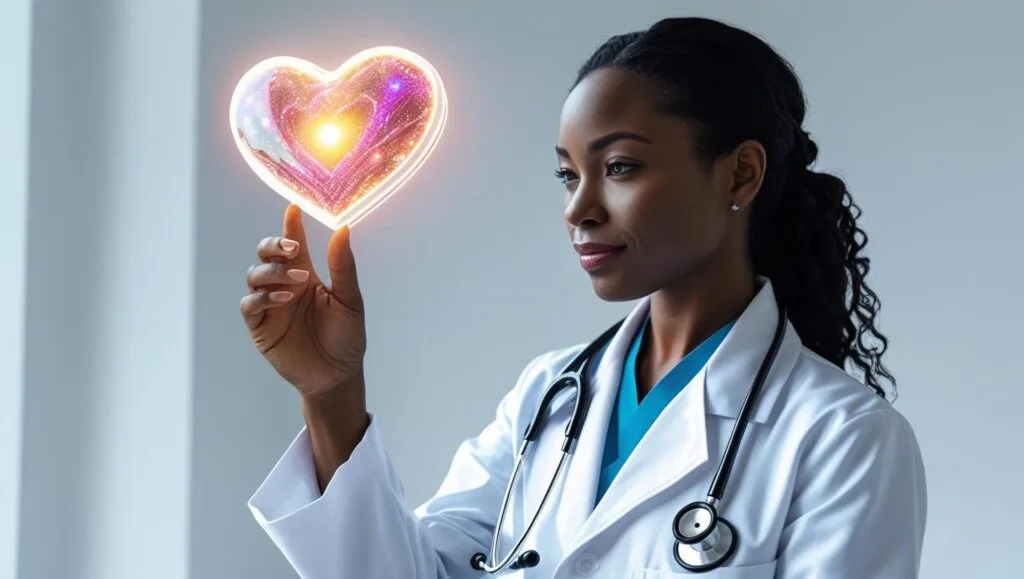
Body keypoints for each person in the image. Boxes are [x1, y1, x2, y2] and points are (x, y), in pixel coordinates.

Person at [239, 16, 927, 578]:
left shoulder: (842, 437)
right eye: (569, 177)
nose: (580, 209)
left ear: (740, 173)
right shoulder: (549, 395)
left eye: (620, 167)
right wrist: (333, 392)